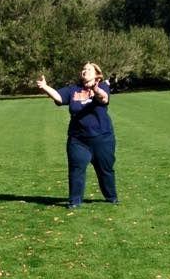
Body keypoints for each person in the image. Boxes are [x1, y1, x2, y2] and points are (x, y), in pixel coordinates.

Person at [37, 62, 118, 208]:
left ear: (96, 74)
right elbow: (59, 98)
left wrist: (96, 89)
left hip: (102, 138)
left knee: (105, 170)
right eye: (83, 69)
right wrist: (45, 87)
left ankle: (111, 197)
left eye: (88, 69)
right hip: (78, 139)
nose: (84, 71)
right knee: (76, 170)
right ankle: (75, 201)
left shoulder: (103, 86)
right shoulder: (73, 89)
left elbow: (104, 98)